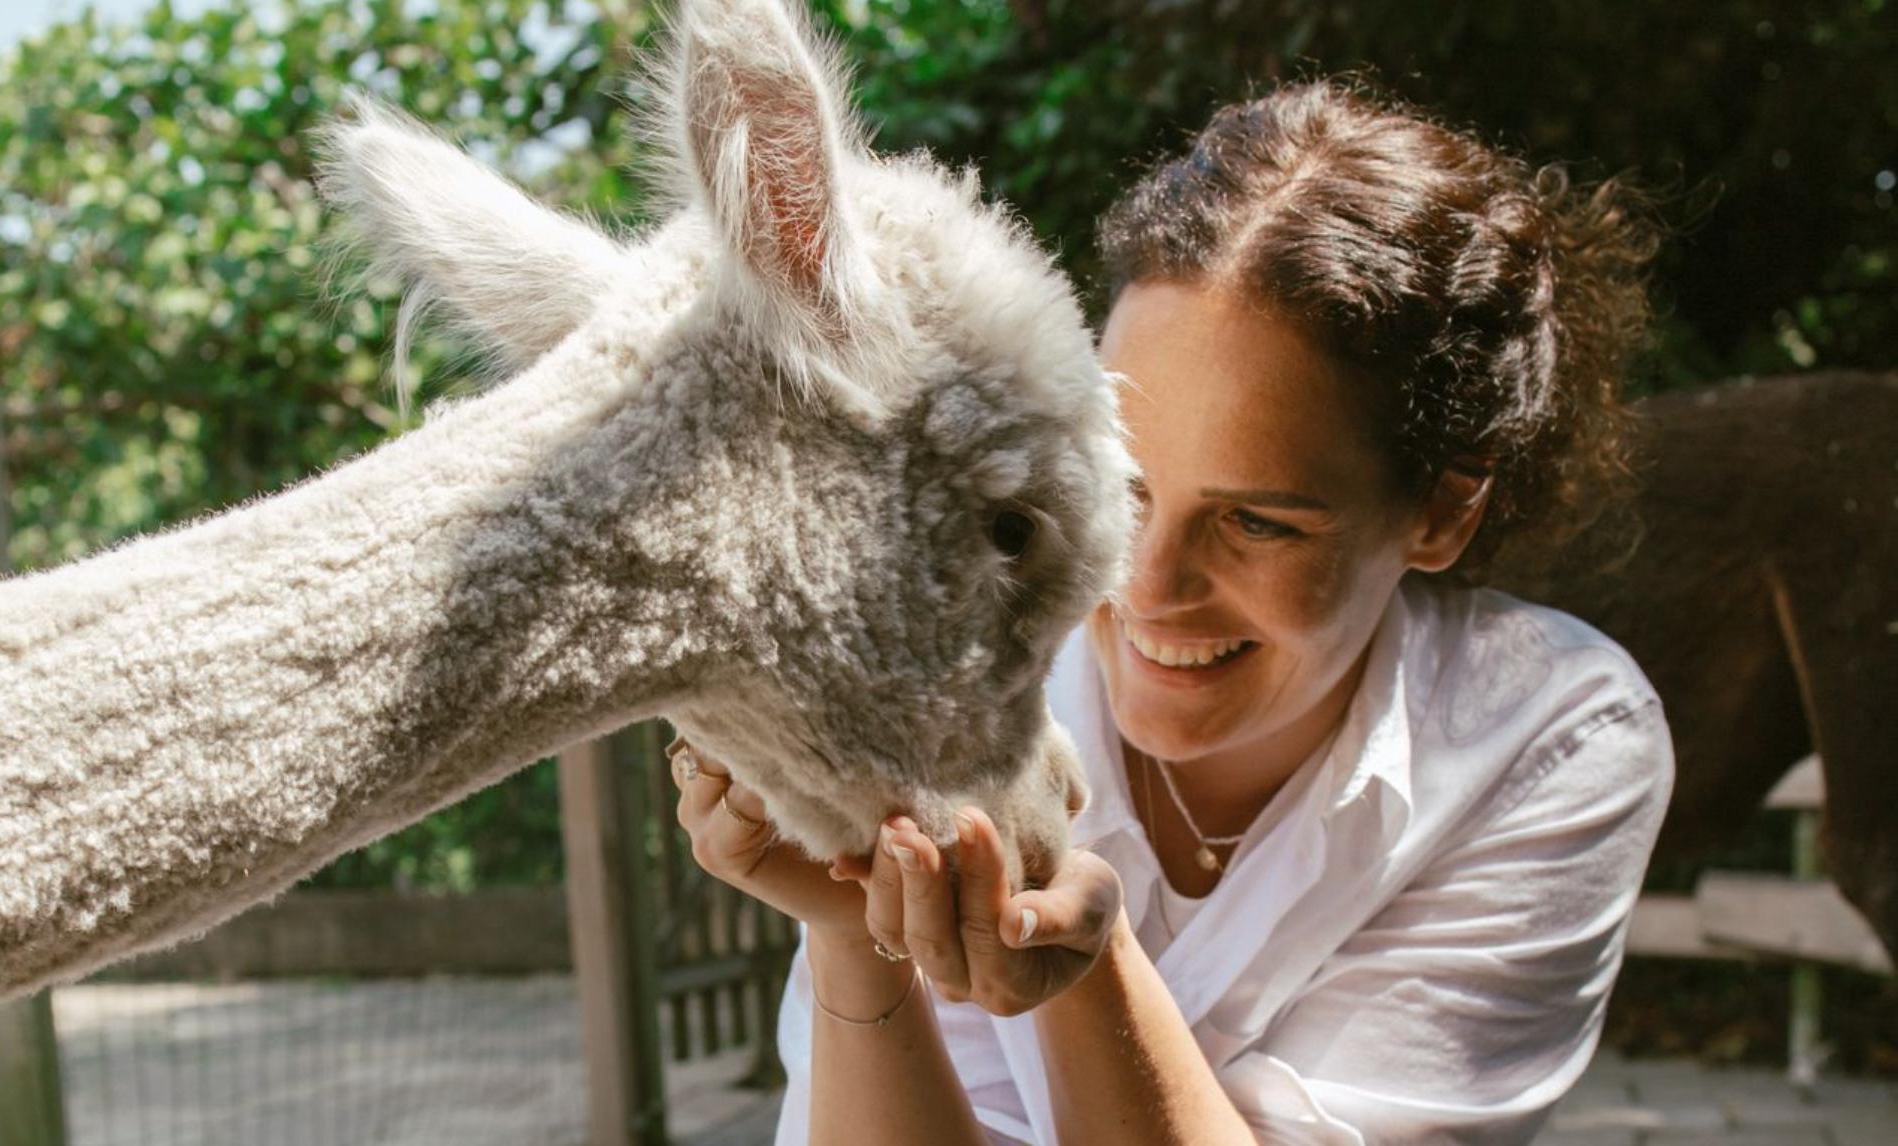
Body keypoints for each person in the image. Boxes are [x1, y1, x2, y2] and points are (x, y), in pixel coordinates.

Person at [671, 79, 1671, 1145]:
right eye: (1122, 486)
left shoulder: (1551, 740)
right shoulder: (968, 673)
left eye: (1258, 524)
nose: (1143, 584)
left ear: (1442, 511)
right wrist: (850, 931)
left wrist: (1088, 972)